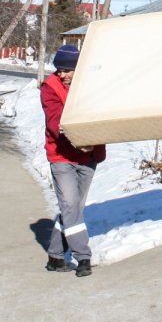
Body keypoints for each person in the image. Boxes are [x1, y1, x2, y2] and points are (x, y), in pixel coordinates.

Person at [41, 44, 105, 277]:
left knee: (74, 209)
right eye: (60, 69)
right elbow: (55, 121)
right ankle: (83, 256)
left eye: (68, 70)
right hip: (62, 156)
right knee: (70, 206)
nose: (62, 74)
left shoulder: (91, 87)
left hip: (88, 157)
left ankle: (55, 257)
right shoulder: (50, 88)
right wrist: (79, 139)